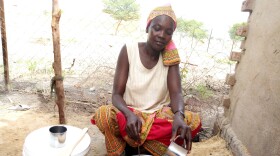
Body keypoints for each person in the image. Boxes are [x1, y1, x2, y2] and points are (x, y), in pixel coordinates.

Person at [91, 4, 201, 156]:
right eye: (157, 28)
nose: (162, 35)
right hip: (129, 114)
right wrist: (129, 115)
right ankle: (133, 146)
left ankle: (138, 145)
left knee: (191, 121)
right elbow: (116, 94)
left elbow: (176, 94)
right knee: (104, 115)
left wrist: (179, 116)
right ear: (147, 28)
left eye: (168, 32)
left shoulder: (170, 57)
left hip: (157, 117)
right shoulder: (129, 50)